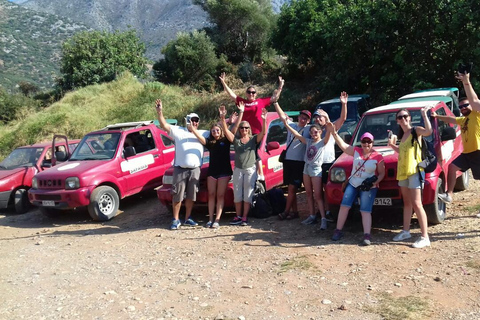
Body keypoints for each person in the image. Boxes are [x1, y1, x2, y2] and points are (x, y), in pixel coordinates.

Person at [326, 124, 385, 245]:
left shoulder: (378, 157)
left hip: (368, 186)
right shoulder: (356, 151)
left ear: (372, 143)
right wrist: (334, 133)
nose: (366, 144)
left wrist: (374, 183)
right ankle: (338, 230)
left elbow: (381, 173)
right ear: (361, 142)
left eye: (369, 142)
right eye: (364, 141)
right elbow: (343, 146)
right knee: (344, 205)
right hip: (353, 183)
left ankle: (367, 235)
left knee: (365, 210)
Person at [219, 72, 284, 181]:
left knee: (255, 151)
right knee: (243, 152)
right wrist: (223, 82)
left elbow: (274, 98)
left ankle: (260, 174)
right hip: (244, 132)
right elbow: (232, 95)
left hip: (258, 132)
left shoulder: (261, 102)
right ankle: (243, 172)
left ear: (256, 94)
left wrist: (280, 86)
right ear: (246, 93)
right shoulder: (242, 102)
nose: (251, 94)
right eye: (249, 92)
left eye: (253, 92)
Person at [155, 99, 208, 230]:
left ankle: (188, 217)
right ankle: (176, 219)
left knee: (191, 195)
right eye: (192, 120)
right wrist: (160, 112)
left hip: (195, 169)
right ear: (187, 120)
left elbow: (217, 131)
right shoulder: (179, 130)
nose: (194, 123)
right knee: (177, 195)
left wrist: (228, 120)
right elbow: (164, 125)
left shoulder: (202, 133)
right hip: (180, 168)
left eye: (196, 121)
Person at [190, 103, 243, 228]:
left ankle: (217, 220)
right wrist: (193, 129)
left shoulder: (226, 140)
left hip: (224, 172)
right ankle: (210, 219)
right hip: (212, 172)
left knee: (220, 195)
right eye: (213, 130)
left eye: (217, 130)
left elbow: (234, 128)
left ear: (221, 131)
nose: (215, 132)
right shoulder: (210, 142)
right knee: (211, 195)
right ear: (211, 132)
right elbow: (199, 137)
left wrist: (240, 113)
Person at [436, 72, 480, 218]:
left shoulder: (476, 114)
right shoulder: (464, 119)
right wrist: (437, 116)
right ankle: (449, 194)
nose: (463, 108)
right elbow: (452, 119)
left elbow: (474, 101)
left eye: (465, 105)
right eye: (460, 107)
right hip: (467, 153)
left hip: (478, 152)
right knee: (452, 167)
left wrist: (466, 81)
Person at [388, 107, 433, 248]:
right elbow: (402, 152)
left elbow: (429, 131)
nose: (403, 118)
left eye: (405, 116)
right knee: (407, 203)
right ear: (397, 120)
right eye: (400, 117)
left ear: (409, 117)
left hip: (414, 172)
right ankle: (406, 231)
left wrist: (424, 115)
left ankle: (425, 237)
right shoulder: (403, 135)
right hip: (403, 173)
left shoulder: (415, 131)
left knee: (417, 204)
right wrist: (392, 145)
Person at [280, 116, 331, 229]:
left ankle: (323, 218)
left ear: (320, 132)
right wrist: (287, 125)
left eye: (316, 132)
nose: (313, 134)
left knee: (318, 195)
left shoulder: (323, 142)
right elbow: (297, 135)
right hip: (306, 168)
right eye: (312, 132)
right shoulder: (308, 141)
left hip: (316, 169)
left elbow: (329, 133)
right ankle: (312, 216)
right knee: (308, 193)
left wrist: (328, 123)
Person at [221, 108, 268, 226]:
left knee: (248, 194)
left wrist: (263, 120)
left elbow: (263, 132)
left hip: (250, 170)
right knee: (237, 193)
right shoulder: (236, 140)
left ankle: (245, 217)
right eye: (242, 127)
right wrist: (223, 118)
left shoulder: (253, 140)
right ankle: (238, 216)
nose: (244, 130)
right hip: (238, 169)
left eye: (246, 128)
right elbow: (226, 131)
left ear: (249, 129)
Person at [312, 92, 348, 220]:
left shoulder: (331, 127)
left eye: (320, 117)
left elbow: (343, 118)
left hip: (328, 162)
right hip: (316, 164)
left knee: (328, 188)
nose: (317, 119)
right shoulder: (313, 131)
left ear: (325, 118)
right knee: (318, 190)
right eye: (315, 117)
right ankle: (322, 211)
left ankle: (329, 211)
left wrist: (344, 104)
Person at [273, 101, 311, 220]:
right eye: (301, 117)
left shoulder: (309, 130)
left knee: (292, 188)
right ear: (298, 117)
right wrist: (275, 103)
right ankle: (295, 212)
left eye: (305, 118)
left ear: (308, 121)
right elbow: (282, 115)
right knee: (291, 187)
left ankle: (286, 211)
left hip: (298, 162)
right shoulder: (292, 125)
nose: (302, 120)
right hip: (288, 160)